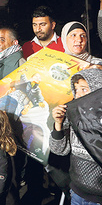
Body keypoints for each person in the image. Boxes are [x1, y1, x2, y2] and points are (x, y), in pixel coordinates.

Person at [50, 68, 102, 204]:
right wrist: (58, 124)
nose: (78, 94)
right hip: (77, 190)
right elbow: (59, 150)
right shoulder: (74, 116)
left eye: (84, 89)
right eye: (76, 89)